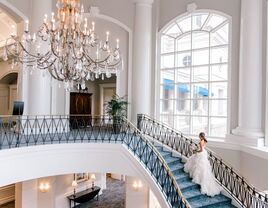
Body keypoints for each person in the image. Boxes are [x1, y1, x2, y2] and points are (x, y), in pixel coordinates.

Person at [184, 132, 222, 197]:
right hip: (203, 153)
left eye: (199, 136)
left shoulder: (201, 141)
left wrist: (196, 151)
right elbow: (201, 148)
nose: (199, 137)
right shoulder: (203, 141)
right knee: (202, 166)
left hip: (201, 154)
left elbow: (201, 150)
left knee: (199, 166)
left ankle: (199, 179)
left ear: (200, 136)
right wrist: (196, 149)